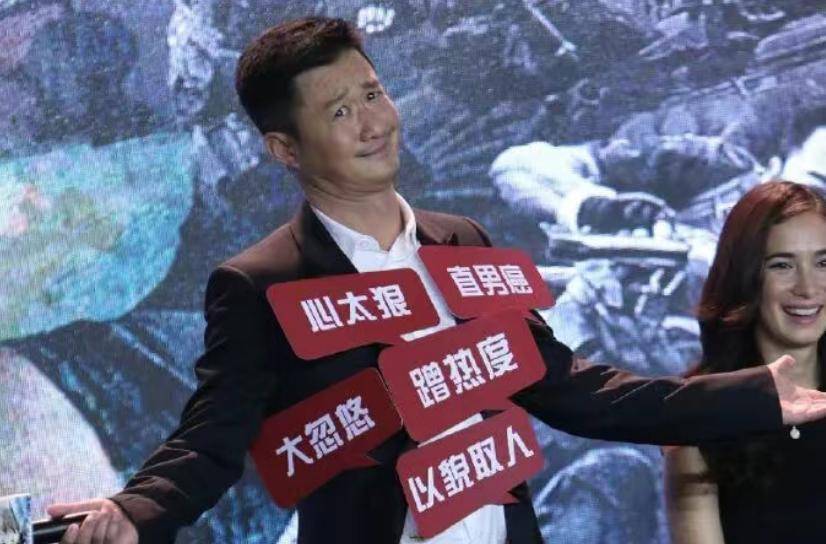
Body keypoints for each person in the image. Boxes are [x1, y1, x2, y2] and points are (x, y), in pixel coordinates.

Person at [45, 18, 826, 544]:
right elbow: (212, 438)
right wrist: (134, 509)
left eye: (373, 93)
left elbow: (575, 390)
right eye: (340, 112)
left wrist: (753, 395)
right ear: (285, 149)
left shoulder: (463, 242)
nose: (374, 122)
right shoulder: (258, 285)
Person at [665, 180, 826, 543]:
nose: (808, 287)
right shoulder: (698, 421)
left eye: (823, 262)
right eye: (782, 265)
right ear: (745, 276)